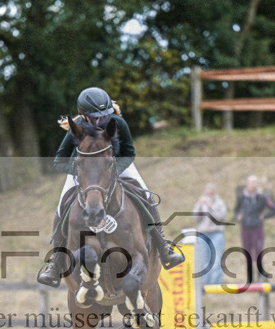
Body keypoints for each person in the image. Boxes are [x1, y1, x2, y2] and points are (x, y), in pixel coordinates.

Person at [37, 87, 185, 287]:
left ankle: (164, 248)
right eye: (95, 117)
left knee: (146, 195)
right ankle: (55, 264)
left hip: (116, 166)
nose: (100, 120)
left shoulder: (118, 123)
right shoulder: (78, 126)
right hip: (84, 172)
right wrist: (85, 171)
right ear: (84, 115)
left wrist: (112, 172)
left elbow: (129, 152)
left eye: (103, 116)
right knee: (62, 205)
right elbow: (59, 161)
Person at [234, 175, 275, 284]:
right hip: (245, 227)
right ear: (246, 183)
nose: (251, 185)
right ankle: (250, 278)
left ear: (257, 184)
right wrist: (238, 215)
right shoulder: (242, 197)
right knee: (247, 252)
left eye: (254, 183)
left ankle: (260, 276)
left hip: (257, 228)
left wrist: (264, 216)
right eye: (249, 182)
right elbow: (236, 209)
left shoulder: (262, 197)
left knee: (258, 252)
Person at [191, 183, 228, 285]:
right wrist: (200, 206)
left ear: (214, 193)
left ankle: (216, 285)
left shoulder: (219, 203)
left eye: (210, 193)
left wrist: (210, 207)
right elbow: (195, 218)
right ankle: (204, 286)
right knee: (203, 261)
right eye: (207, 193)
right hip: (203, 234)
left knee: (216, 261)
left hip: (216, 234)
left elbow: (220, 217)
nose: (208, 196)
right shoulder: (200, 203)